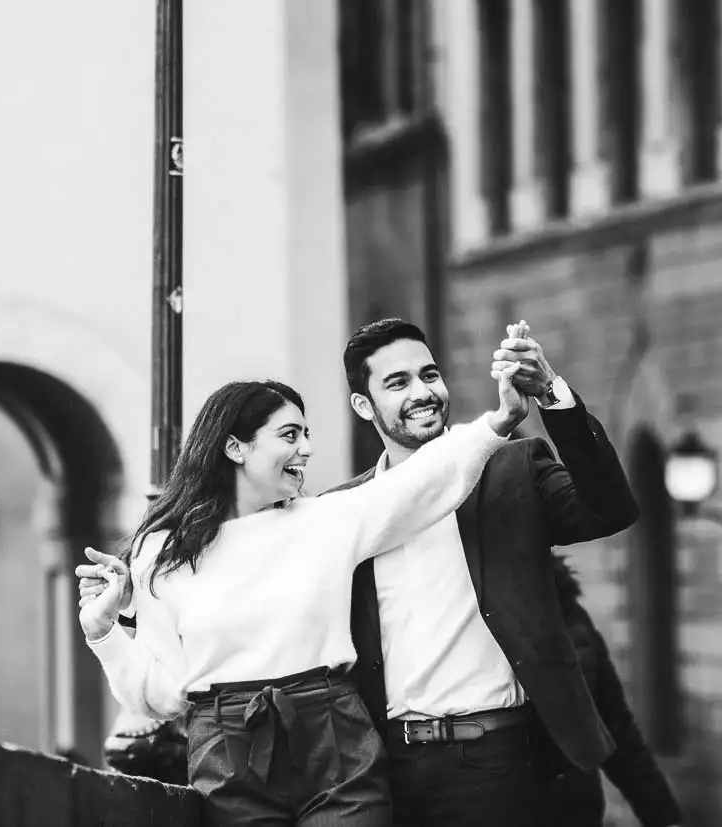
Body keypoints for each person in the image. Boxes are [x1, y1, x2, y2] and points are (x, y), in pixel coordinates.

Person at [75, 353, 532, 826]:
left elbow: (424, 482)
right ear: (235, 448)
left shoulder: (325, 522)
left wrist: (497, 423)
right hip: (228, 753)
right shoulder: (162, 551)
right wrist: (103, 632)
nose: (307, 449)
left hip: (335, 738)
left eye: (306, 434)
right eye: (290, 435)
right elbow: (160, 696)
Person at [328, 317, 640, 827]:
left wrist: (550, 394)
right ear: (364, 406)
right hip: (384, 772)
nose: (422, 392)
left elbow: (610, 510)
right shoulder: (346, 511)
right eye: (398, 382)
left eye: (429, 375)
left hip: (494, 763)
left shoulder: (513, 469)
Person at [543, 553, 683, 827]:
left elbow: (614, 725)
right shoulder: (473, 620)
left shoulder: (570, 616)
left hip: (575, 810)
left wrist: (663, 816)